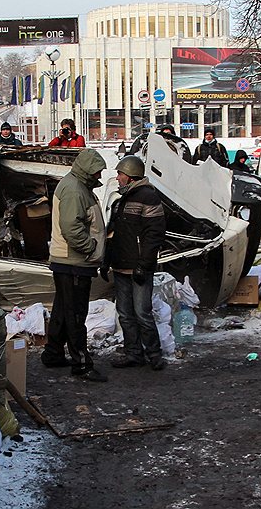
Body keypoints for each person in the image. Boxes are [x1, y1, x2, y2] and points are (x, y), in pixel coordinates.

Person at [42, 148, 107, 382]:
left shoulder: (76, 185)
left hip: (68, 261)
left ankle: (53, 353)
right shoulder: (75, 189)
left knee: (63, 309)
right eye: (97, 172)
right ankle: (81, 364)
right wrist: (91, 248)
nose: (99, 176)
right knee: (76, 314)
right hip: (74, 261)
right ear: (87, 171)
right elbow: (72, 228)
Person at [104, 156, 167, 371]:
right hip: (121, 266)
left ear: (130, 175)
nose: (118, 178)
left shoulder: (148, 197)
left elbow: (154, 234)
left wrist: (144, 264)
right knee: (125, 314)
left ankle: (155, 354)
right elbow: (113, 234)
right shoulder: (121, 199)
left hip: (138, 267)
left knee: (142, 313)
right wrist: (107, 261)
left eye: (120, 174)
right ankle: (133, 353)